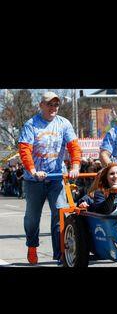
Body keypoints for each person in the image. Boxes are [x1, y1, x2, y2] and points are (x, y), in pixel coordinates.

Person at [18, 91, 81, 265]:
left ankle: (60, 252)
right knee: (32, 217)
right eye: (49, 104)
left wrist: (75, 166)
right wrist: (32, 170)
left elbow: (74, 146)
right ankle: (32, 246)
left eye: (56, 105)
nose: (53, 108)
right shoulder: (31, 124)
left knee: (60, 213)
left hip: (56, 177)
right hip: (34, 180)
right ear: (41, 106)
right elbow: (25, 150)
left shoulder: (64, 123)